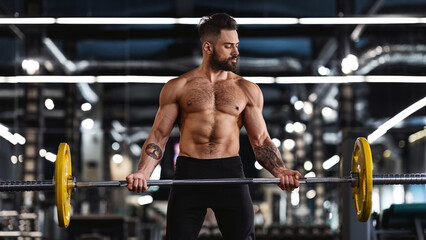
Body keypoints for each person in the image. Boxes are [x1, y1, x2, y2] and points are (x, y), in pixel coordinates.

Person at [126, 13, 302, 240]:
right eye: (228, 46)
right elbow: (159, 136)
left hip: (229, 172)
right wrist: (144, 172)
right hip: (189, 173)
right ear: (208, 47)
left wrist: (280, 170)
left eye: (236, 45)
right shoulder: (178, 87)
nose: (236, 52)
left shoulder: (247, 89)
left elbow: (260, 140)